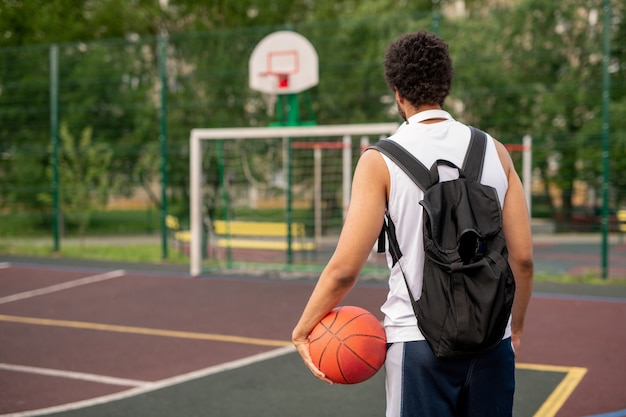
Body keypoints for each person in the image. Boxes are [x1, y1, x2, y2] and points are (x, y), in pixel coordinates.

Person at [292, 30, 534, 417]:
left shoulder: (380, 160)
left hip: (418, 342)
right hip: (493, 341)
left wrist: (303, 328)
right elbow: (522, 258)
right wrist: (514, 328)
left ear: (397, 92)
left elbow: (344, 270)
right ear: (446, 86)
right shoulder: (496, 151)